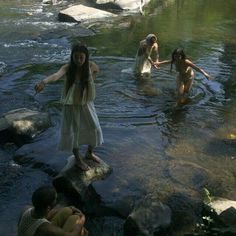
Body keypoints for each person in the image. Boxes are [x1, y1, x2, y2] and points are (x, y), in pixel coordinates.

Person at [35, 44, 104, 171]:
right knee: (74, 132)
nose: (78, 60)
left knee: (94, 127)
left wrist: (91, 83)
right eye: (76, 57)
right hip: (71, 105)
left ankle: (89, 152)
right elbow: (56, 75)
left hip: (86, 104)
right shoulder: (68, 68)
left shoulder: (91, 66)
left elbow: (96, 71)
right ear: (72, 57)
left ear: (86, 57)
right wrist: (43, 82)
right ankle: (78, 159)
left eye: (81, 58)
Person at [17, 185, 88, 236]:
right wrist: (82, 220)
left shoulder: (26, 209)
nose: (56, 201)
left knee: (67, 210)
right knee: (75, 219)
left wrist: (69, 208)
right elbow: (72, 234)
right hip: (43, 232)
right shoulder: (46, 229)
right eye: (55, 200)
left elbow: (46, 215)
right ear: (48, 208)